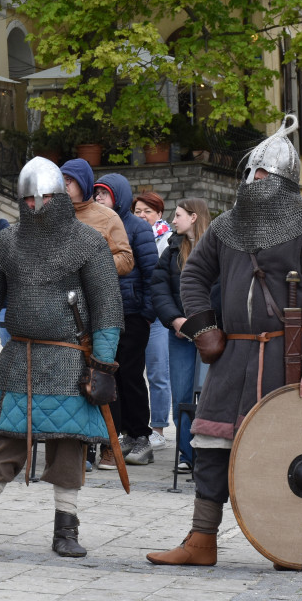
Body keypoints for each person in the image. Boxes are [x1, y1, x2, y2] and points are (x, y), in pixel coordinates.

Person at [147, 118, 302, 568]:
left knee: (285, 451)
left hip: (287, 358)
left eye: (263, 175)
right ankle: (202, 540)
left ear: (282, 181)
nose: (253, 182)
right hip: (233, 354)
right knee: (211, 446)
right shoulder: (227, 226)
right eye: (250, 174)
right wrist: (203, 327)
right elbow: (195, 274)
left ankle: (284, 542)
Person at [0, 156, 123, 558]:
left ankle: (66, 528)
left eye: (42, 198)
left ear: (60, 198)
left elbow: (107, 309)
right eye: (27, 200)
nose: (33, 206)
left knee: (69, 445)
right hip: (19, 358)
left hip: (68, 359)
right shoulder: (7, 242)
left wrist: (102, 364)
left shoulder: (88, 243)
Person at [93, 174, 158, 467]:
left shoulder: (138, 227)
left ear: (117, 196)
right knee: (112, 376)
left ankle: (141, 436)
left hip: (132, 315)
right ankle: (120, 434)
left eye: (103, 194)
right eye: (96, 194)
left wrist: (146, 314)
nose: (98, 199)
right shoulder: (96, 226)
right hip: (105, 314)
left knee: (131, 376)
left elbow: (151, 273)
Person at [150, 198, 212, 473]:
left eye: (178, 215)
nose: (173, 221)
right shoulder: (172, 249)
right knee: (182, 396)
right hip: (180, 337)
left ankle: (210, 452)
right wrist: (175, 320)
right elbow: (159, 287)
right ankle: (187, 454)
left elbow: (222, 289)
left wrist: (205, 323)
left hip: (212, 334)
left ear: (194, 217)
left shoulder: (216, 248)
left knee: (210, 394)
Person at [132, 191, 172, 448]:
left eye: (148, 211)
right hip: (136, 313)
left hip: (158, 317)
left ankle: (158, 428)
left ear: (159, 214)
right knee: (132, 373)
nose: (143, 216)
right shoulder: (129, 234)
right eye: (138, 211)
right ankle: (134, 429)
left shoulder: (168, 240)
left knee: (158, 374)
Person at [60, 159, 133, 276]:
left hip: (95, 289)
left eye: (68, 179)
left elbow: (126, 260)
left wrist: (93, 264)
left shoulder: (108, 217)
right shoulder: (53, 214)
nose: (63, 185)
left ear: (82, 181)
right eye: (60, 179)